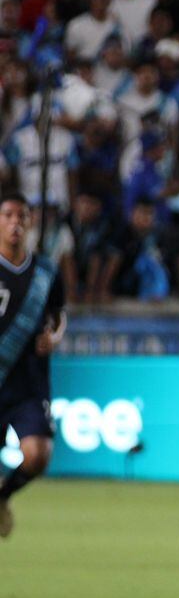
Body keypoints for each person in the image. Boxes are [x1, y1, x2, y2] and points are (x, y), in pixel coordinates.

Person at [0, 195, 69, 540]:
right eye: (8, 215)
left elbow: (59, 316)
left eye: (22, 216)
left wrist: (54, 337)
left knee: (38, 454)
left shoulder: (46, 272)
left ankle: (3, 496)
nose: (15, 222)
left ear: (30, 223)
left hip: (28, 382)